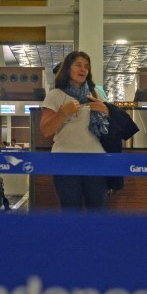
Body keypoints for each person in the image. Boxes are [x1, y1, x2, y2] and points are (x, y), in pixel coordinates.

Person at [40, 51, 110, 210]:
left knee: (98, 211)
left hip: (96, 160)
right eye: (78, 65)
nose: (83, 69)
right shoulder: (55, 95)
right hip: (65, 160)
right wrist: (63, 112)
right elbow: (45, 130)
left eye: (86, 66)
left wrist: (106, 110)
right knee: (71, 212)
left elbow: (110, 124)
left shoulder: (96, 93)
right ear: (67, 69)